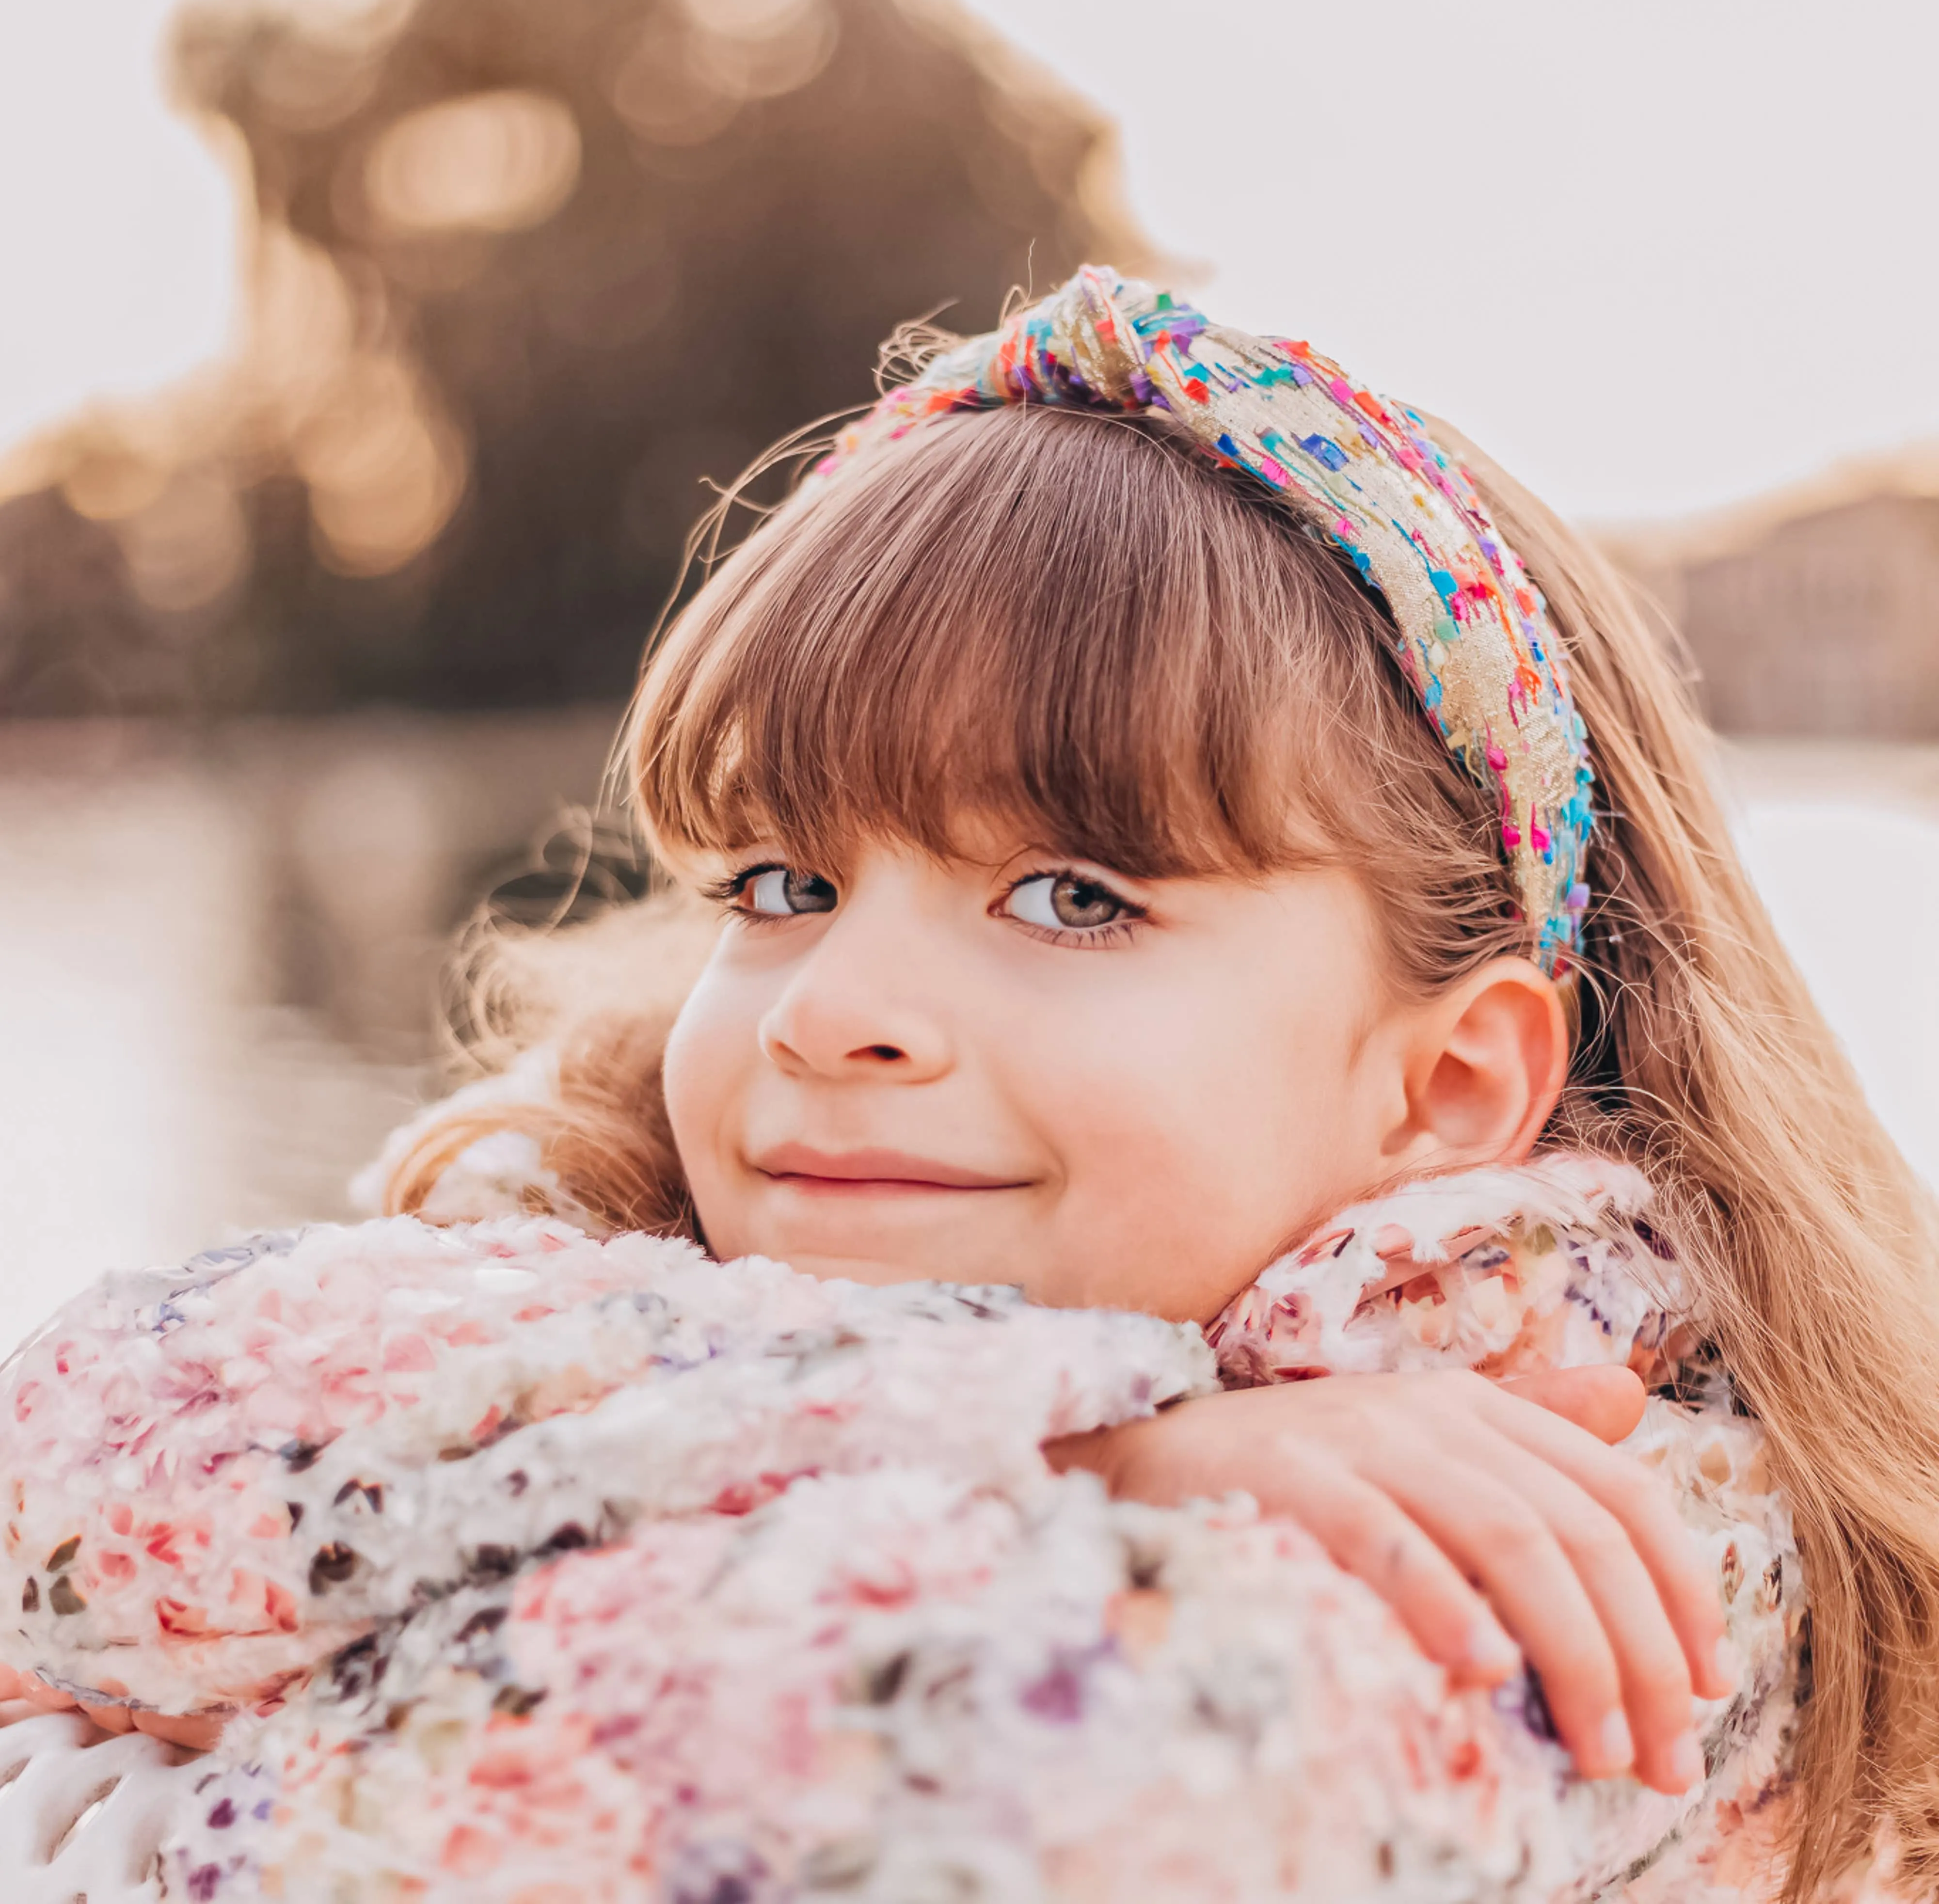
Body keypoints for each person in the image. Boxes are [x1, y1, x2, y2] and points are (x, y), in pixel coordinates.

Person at [4, 268, 1935, 1902]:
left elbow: (765, 1801)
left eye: (1073, 893)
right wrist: (1052, 1431)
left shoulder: (1590, 1532)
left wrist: (122, 1753)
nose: (833, 1008)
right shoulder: (650, 1247)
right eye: (784, 884)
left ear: (1446, 1083)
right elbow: (63, 1458)